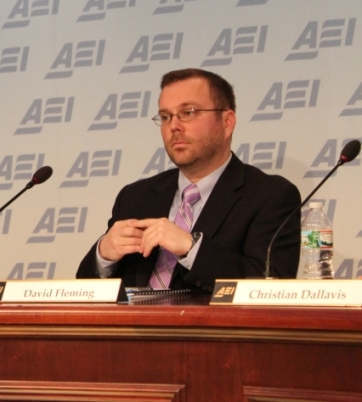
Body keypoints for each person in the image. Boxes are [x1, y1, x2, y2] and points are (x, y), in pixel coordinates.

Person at [76, 68, 301, 292]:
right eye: (165, 117)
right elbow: (85, 293)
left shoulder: (270, 196)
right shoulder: (135, 196)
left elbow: (271, 286)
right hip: (134, 327)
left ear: (227, 121)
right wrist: (103, 254)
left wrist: (190, 248)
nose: (174, 126)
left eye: (188, 112)